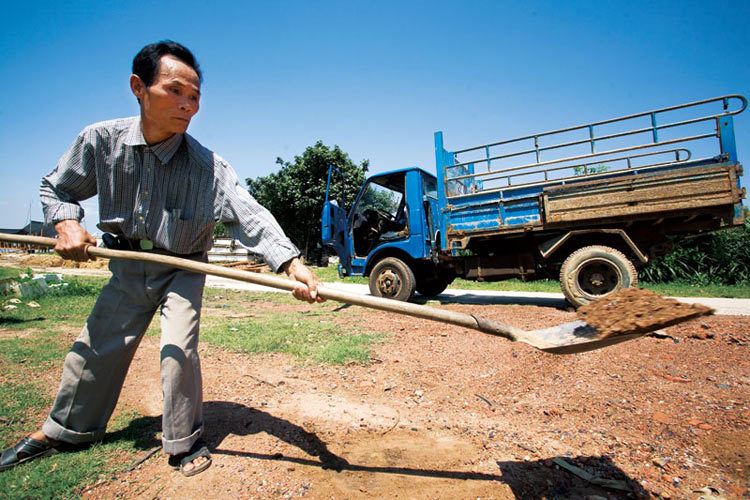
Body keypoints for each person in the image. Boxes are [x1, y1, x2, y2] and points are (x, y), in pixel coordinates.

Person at [0, 40, 324, 477]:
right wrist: (66, 224)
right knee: (95, 348)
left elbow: (252, 217)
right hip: (129, 262)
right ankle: (66, 430)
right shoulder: (100, 141)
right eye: (175, 91)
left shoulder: (209, 167)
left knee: (177, 352)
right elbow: (56, 188)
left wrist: (292, 266)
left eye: (195, 97)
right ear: (139, 87)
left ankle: (184, 440)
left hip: (184, 267)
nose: (188, 105)